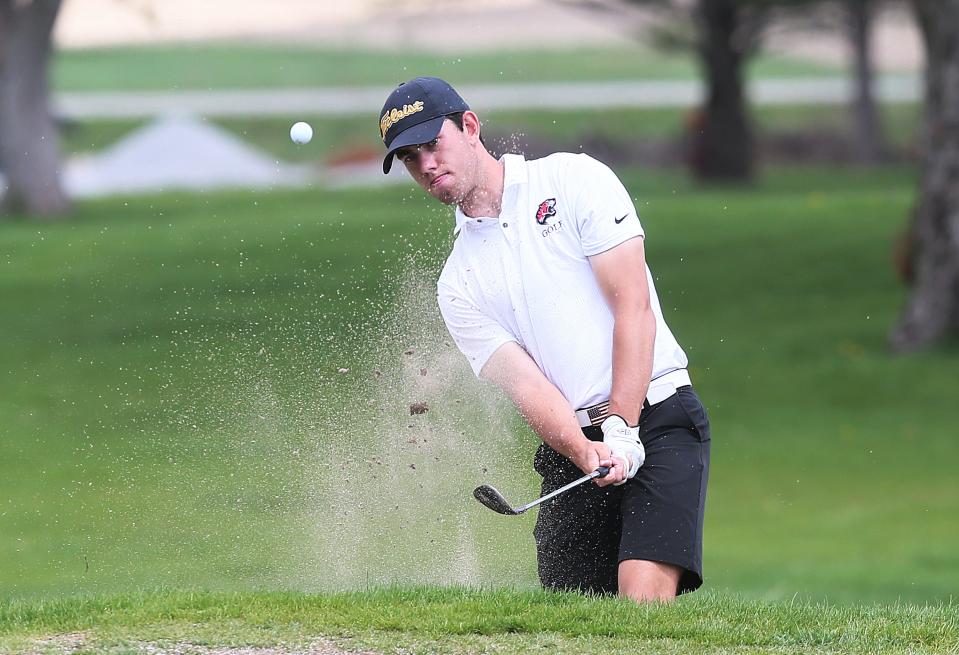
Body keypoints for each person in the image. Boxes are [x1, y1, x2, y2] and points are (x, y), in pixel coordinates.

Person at [378, 77, 711, 602]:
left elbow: (634, 308)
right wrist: (585, 450)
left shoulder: (574, 180)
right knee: (568, 615)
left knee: (641, 601)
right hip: (571, 447)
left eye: (432, 144)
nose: (426, 165)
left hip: (659, 415)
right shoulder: (457, 284)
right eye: (409, 158)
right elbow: (527, 386)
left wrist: (622, 426)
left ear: (469, 127)